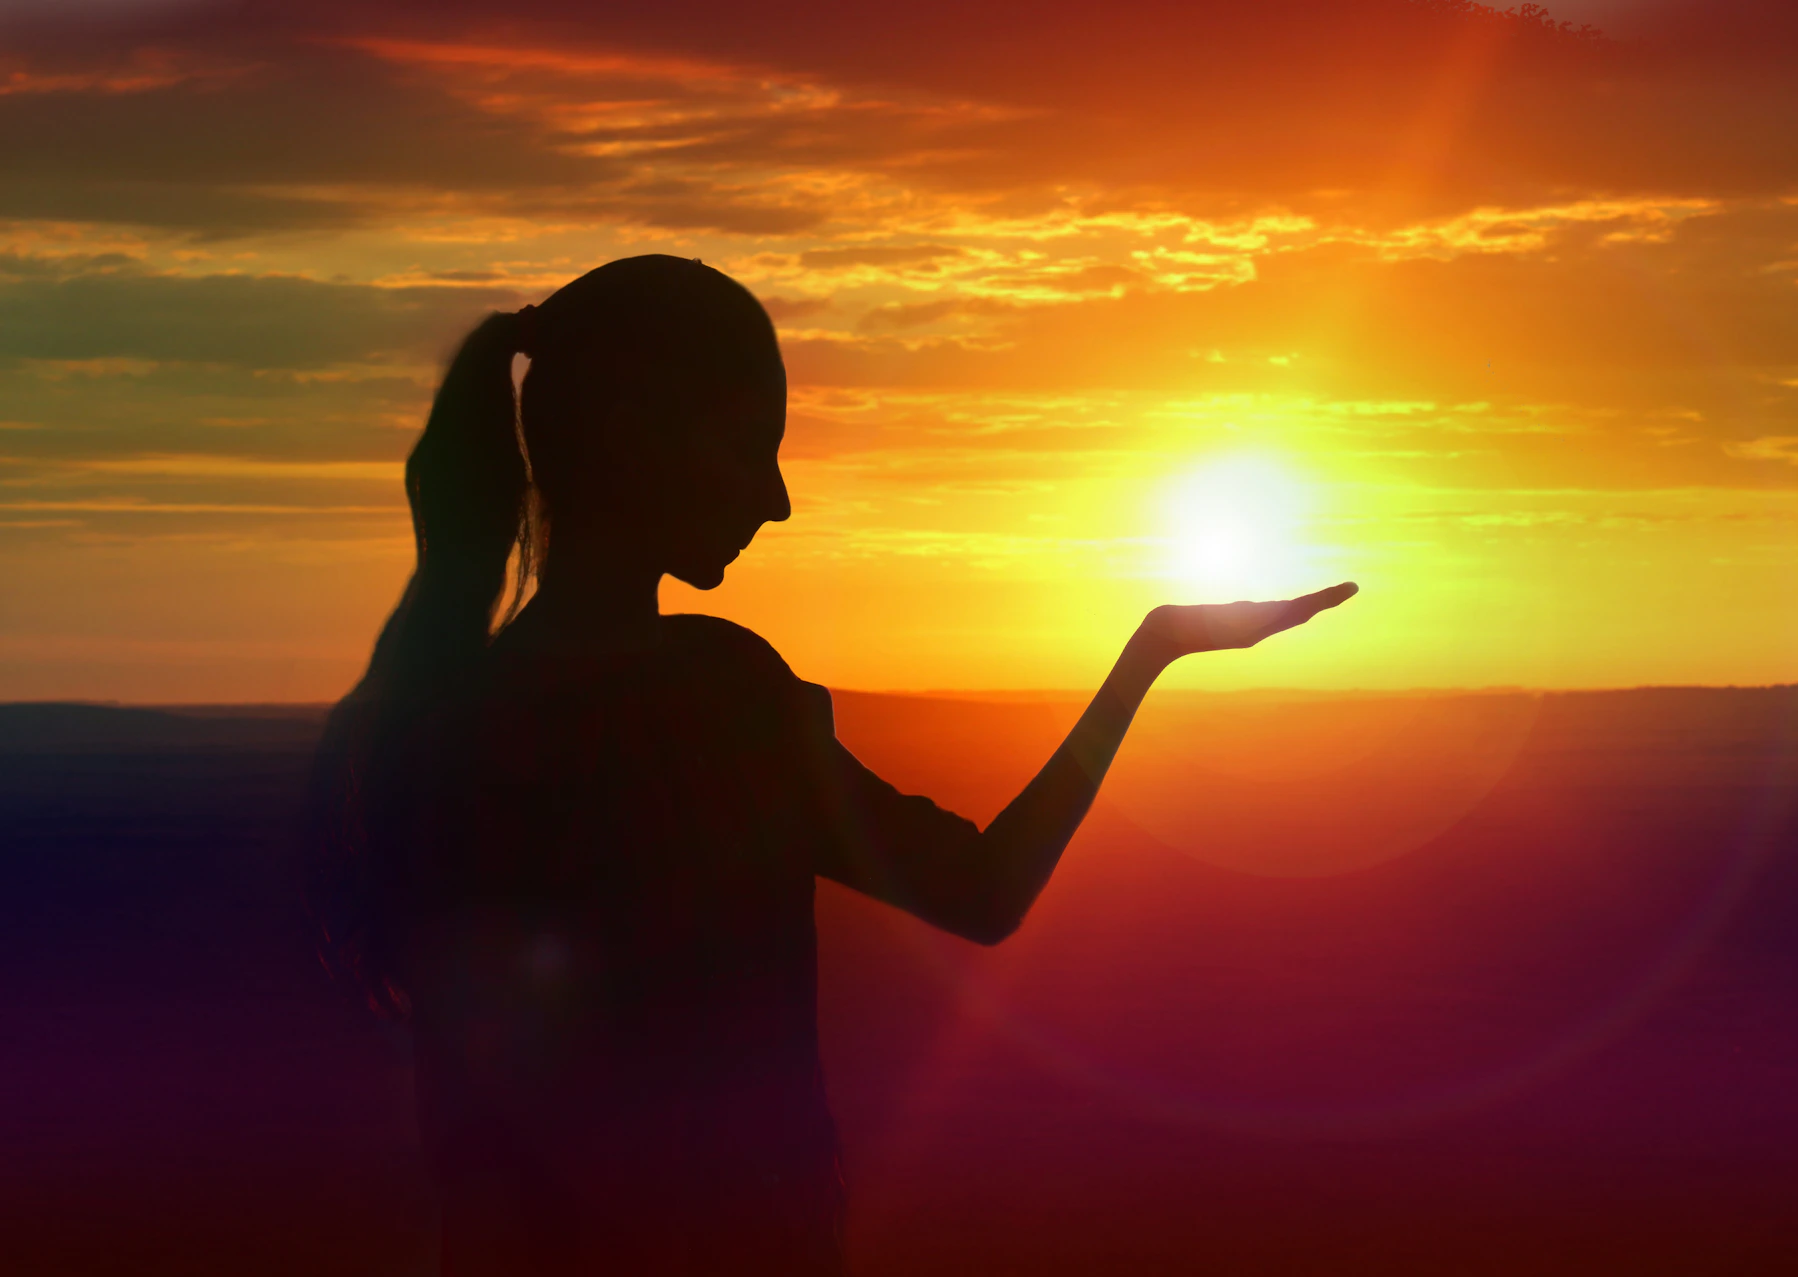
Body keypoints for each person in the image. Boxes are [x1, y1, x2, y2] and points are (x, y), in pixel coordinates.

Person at [305, 255, 1356, 1276]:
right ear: (638, 440)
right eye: (749, 447)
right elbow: (983, 889)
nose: (776, 499)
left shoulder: (449, 718)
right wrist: (1149, 656)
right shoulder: (722, 699)